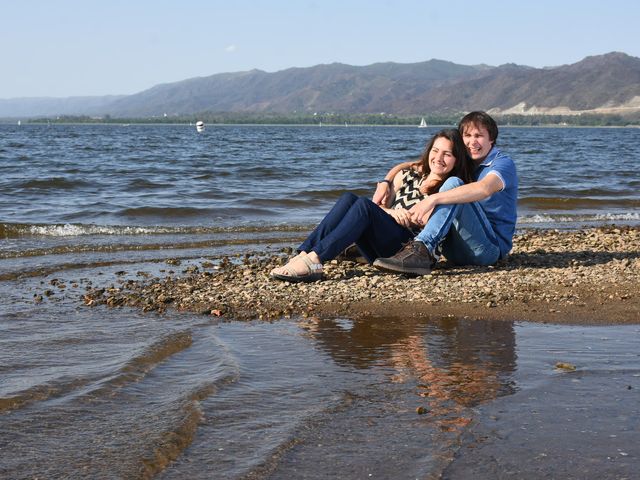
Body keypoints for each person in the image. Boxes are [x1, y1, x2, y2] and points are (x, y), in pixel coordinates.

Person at [270, 129, 473, 282]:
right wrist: (392, 210)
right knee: (349, 199)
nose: (438, 158)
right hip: (385, 247)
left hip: (410, 253)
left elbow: (428, 222)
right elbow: (379, 207)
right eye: (435, 151)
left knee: (363, 207)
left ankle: (315, 260)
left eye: (447, 154)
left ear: (456, 160)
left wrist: (393, 214)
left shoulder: (450, 187)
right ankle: (304, 254)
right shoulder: (410, 176)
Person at [372, 111, 518, 275]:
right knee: (453, 184)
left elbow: (484, 189)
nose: (472, 141)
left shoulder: (502, 163)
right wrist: (385, 182)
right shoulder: (464, 160)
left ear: (491, 139)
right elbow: (413, 165)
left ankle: (422, 249)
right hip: (452, 251)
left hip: (488, 249)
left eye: (479, 136)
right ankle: (410, 249)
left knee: (453, 184)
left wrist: (432, 199)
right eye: (467, 135)